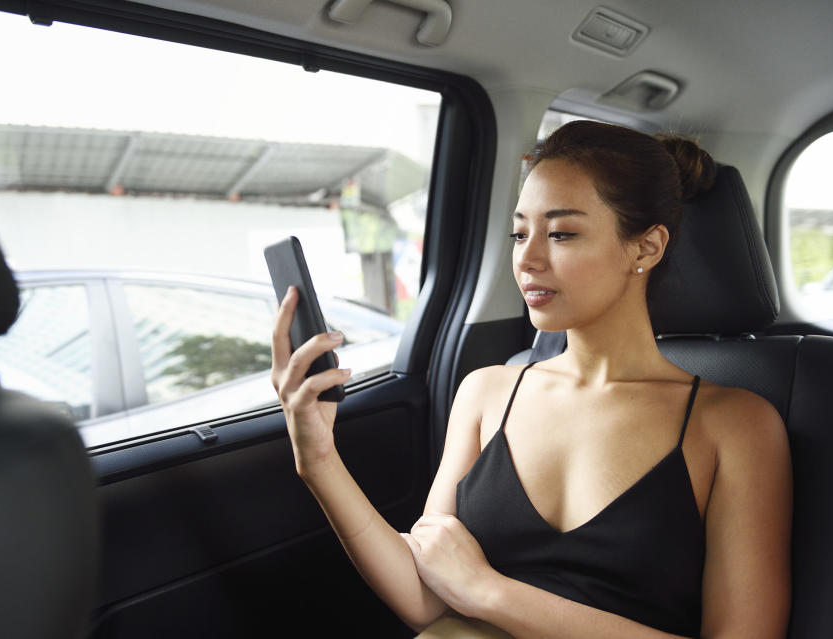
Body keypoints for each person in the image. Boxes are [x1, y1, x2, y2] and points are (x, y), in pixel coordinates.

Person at [270, 120, 792, 638]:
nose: (528, 258)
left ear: (646, 247)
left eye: (561, 233)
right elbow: (427, 596)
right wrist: (318, 459)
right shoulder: (488, 391)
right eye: (521, 233)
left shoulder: (735, 425)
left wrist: (491, 593)